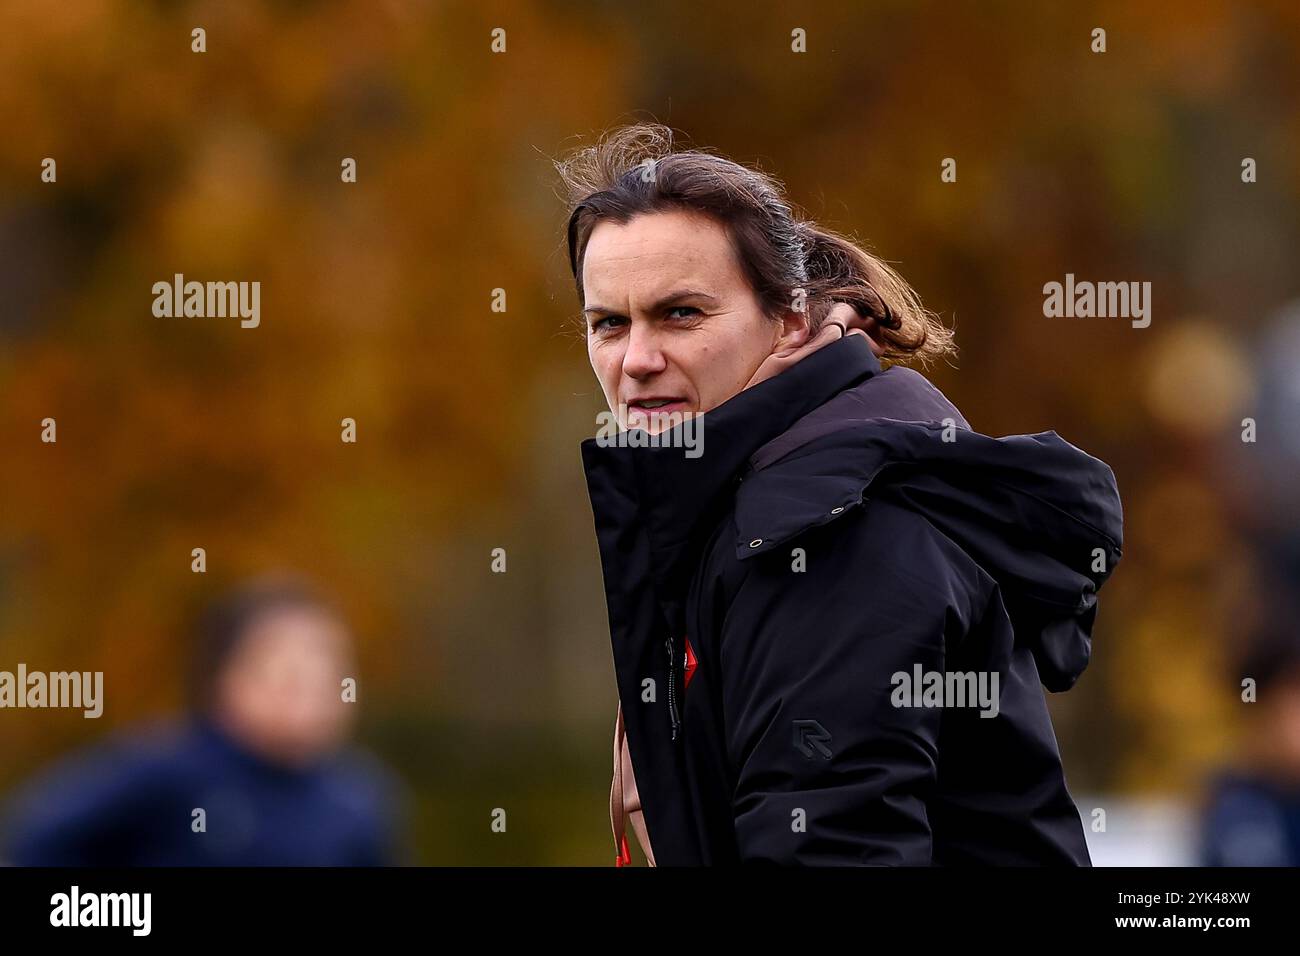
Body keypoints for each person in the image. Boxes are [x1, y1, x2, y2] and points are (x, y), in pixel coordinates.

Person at [557, 123, 1124, 866]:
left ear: (790, 321)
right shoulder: (752, 500)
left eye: (680, 313)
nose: (636, 359)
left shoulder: (824, 532)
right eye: (609, 324)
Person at [1, 575, 404, 866]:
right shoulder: (163, 770)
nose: (312, 695)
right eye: (289, 675)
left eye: (330, 676)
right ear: (227, 678)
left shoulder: (358, 801)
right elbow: (37, 838)